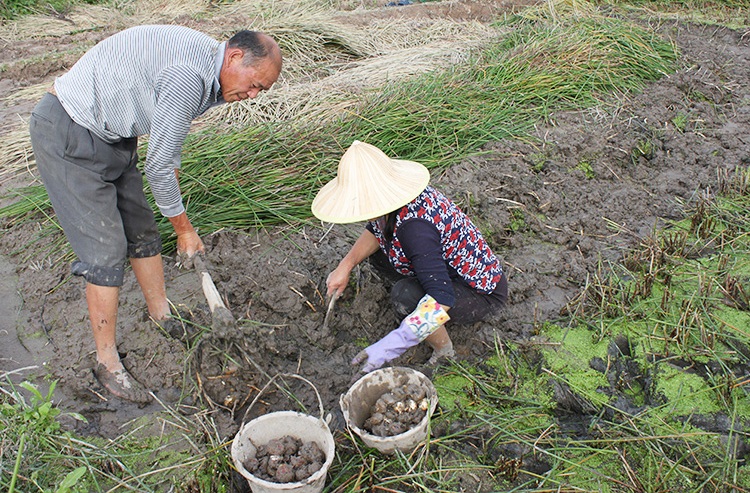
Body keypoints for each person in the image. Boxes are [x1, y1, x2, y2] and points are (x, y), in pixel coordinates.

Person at [28, 25, 282, 403]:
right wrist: (184, 229)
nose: (252, 95)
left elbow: (168, 151)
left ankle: (161, 315)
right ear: (234, 57)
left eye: (261, 91)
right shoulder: (188, 76)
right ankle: (107, 362)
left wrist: (174, 210)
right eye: (255, 84)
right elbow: (160, 166)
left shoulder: (211, 71)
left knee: (144, 231)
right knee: (105, 250)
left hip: (113, 134)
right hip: (70, 131)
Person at [311, 140, 508, 374]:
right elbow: (376, 231)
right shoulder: (393, 204)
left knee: (406, 296)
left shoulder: (415, 229)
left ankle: (445, 351)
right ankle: (416, 300)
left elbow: (441, 297)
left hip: (479, 292)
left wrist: (392, 344)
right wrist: (346, 265)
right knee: (379, 257)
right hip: (439, 266)